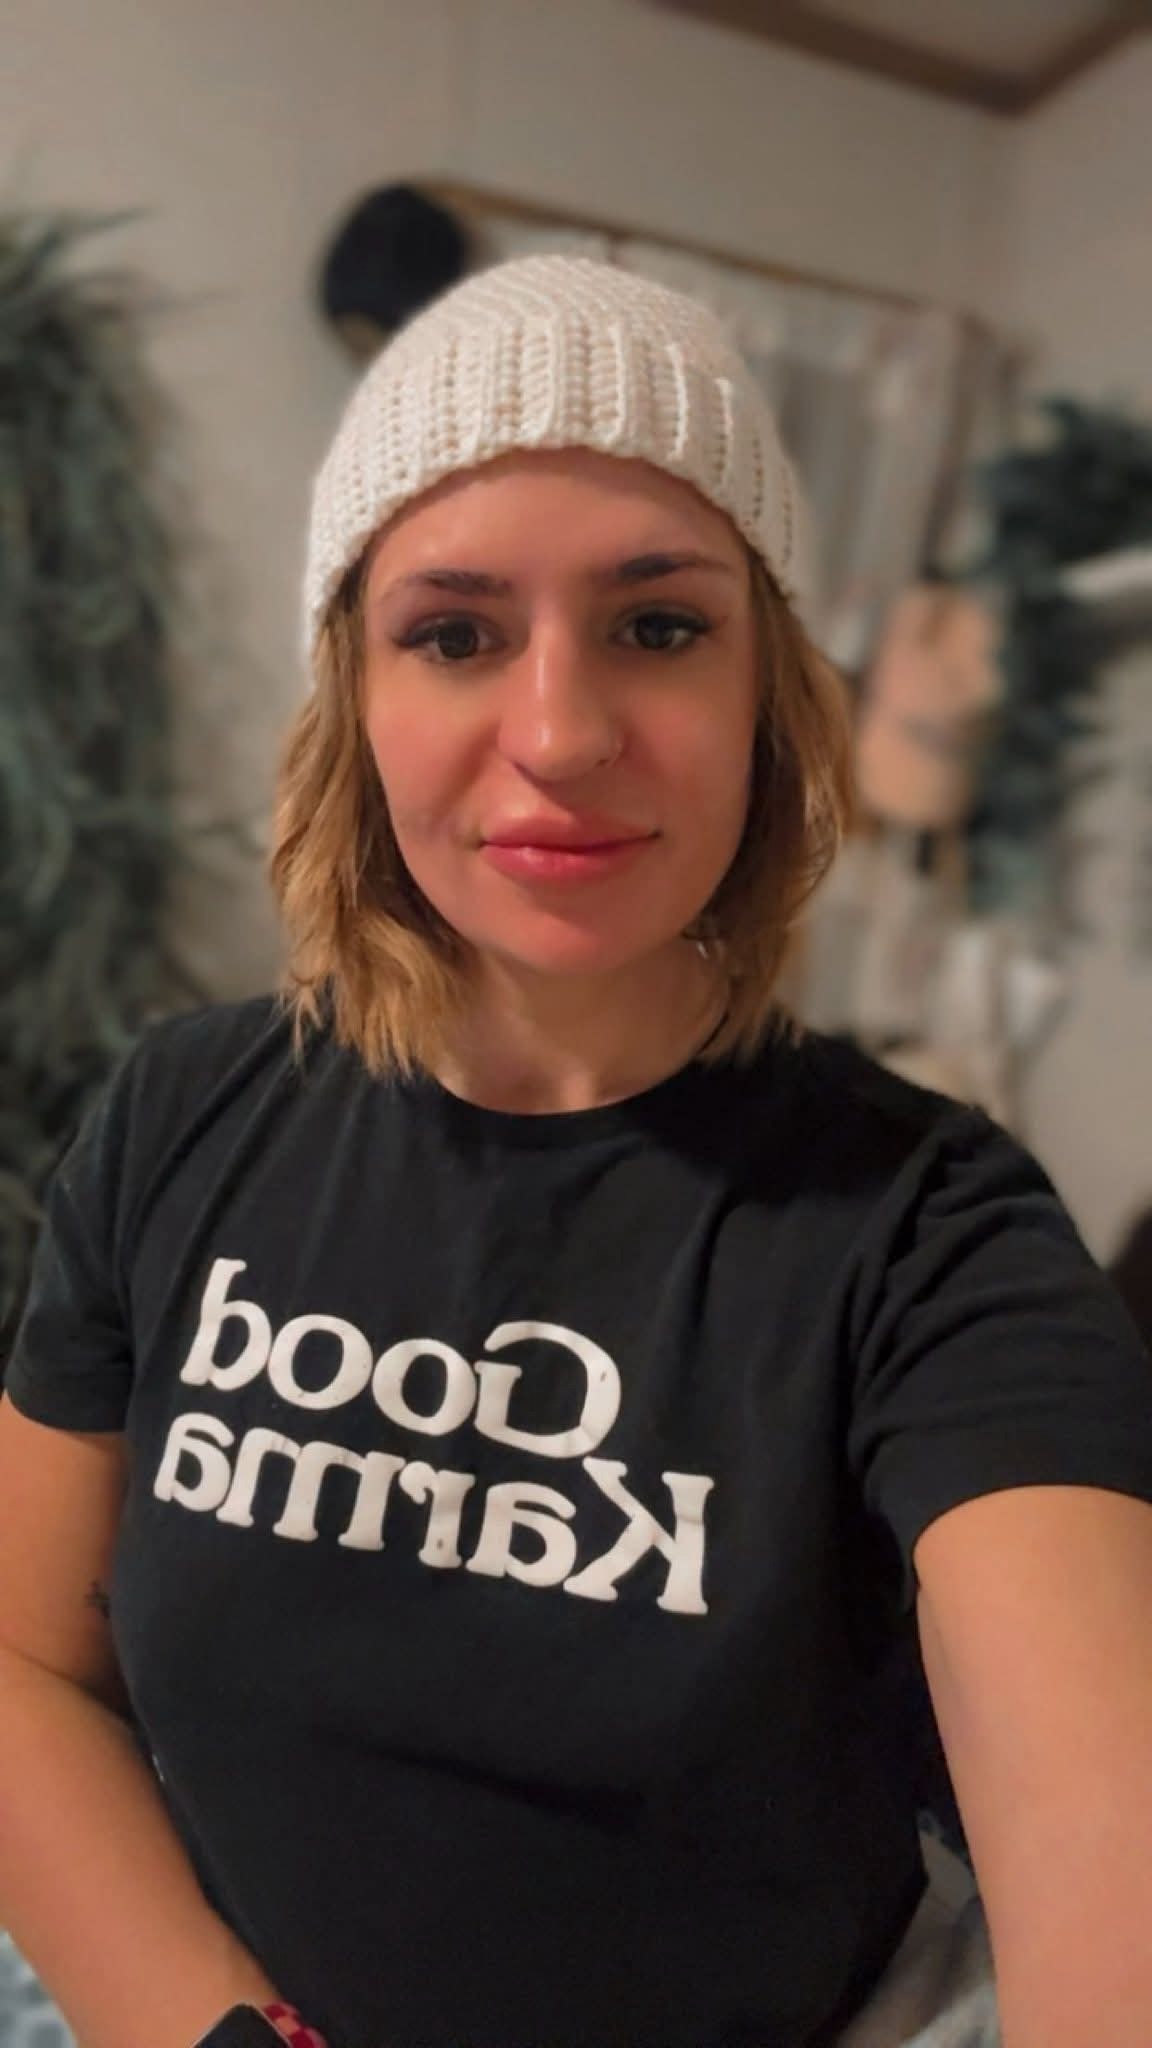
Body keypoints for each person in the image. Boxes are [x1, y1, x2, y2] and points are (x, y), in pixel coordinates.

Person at [1, 253, 1151, 2048]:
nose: (558, 735)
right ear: (354, 695)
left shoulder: (929, 1232)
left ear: (769, 690)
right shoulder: (181, 1115)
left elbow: (1104, 1857)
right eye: (455, 634)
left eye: (660, 626)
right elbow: (22, 1666)